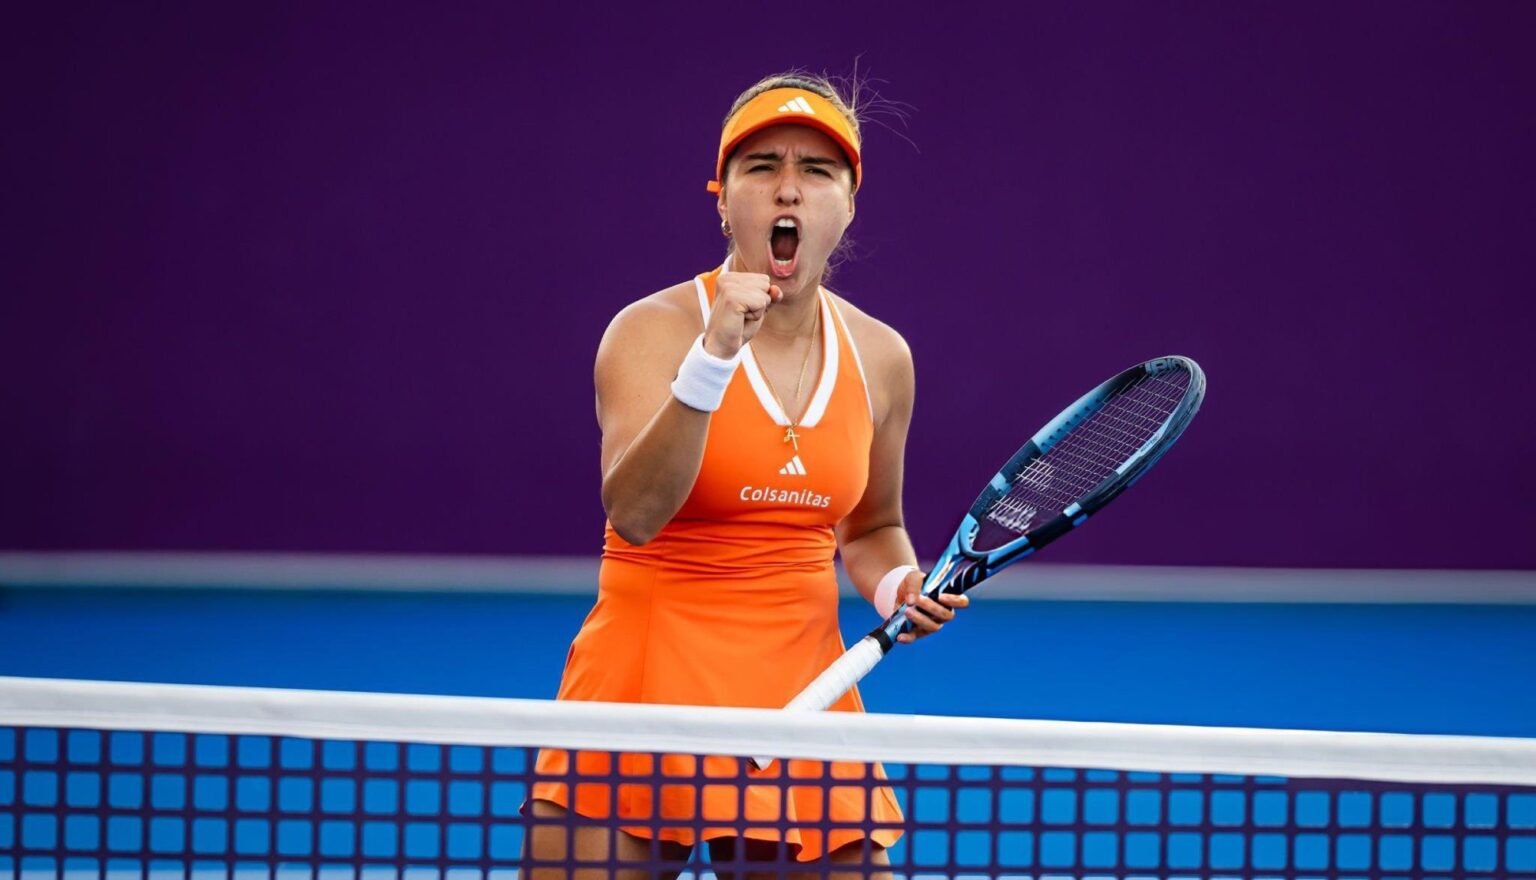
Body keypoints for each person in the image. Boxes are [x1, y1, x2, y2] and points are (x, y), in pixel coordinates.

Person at [525, 72, 968, 880]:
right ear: (723, 201)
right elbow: (635, 514)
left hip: (806, 685)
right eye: (762, 166)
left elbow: (871, 526)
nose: (788, 188)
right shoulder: (651, 331)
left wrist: (897, 585)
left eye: (817, 170)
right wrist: (714, 356)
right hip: (643, 675)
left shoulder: (882, 358)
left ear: (848, 205)